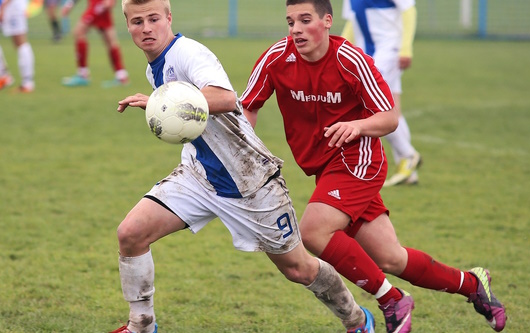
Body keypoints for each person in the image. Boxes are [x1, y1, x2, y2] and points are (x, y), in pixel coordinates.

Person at [240, 0, 507, 332]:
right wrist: (243, 148)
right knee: (390, 258)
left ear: (326, 21)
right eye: (290, 21)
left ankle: (391, 298)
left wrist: (358, 126)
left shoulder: (350, 60)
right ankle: (472, 284)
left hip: (358, 161)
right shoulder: (276, 58)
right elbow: (247, 107)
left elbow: (390, 117)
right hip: (324, 168)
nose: (295, 29)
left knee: (313, 231)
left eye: (304, 20)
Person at [110, 0, 376, 332]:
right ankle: (141, 325)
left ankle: (356, 319)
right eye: (137, 22)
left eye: (153, 19)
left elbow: (225, 98)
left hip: (250, 183)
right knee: (131, 234)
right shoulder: (155, 66)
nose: (146, 28)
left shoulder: (188, 53)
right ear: (128, 27)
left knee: (298, 269)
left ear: (169, 18)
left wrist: (163, 103)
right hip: (201, 175)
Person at [341, 0, 421, 186]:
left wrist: (405, 48)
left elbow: (409, 11)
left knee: (371, 106)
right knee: (393, 109)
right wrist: (340, 48)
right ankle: (408, 171)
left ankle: (408, 155)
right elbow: (353, 22)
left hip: (389, 52)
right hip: (369, 56)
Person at [61, 0, 129, 87]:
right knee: (110, 41)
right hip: (98, 6)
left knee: (79, 32)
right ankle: (121, 76)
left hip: (99, 6)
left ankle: (83, 74)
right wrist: (69, 4)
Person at [0, 0, 35, 92]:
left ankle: (27, 83)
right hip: (11, 6)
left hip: (13, 6)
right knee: (19, 44)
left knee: (21, 43)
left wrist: (3, 6)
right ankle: (3, 76)